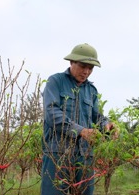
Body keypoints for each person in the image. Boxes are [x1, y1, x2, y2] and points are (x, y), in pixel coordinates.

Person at [41, 43, 117, 195]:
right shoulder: (55, 82)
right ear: (71, 62)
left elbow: (96, 116)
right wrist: (81, 131)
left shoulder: (91, 90)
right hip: (58, 153)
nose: (86, 72)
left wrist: (107, 124)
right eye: (83, 66)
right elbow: (51, 113)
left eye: (90, 68)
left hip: (85, 155)